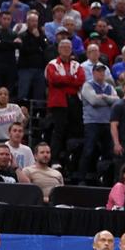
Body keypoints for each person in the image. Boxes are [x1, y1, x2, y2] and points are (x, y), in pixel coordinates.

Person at [45, 37, 85, 165]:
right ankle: (54, 159)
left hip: (74, 101)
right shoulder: (52, 64)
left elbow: (80, 80)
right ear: (58, 49)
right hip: (58, 102)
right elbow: (53, 80)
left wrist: (64, 79)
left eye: (68, 47)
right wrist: (71, 79)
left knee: (73, 132)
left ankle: (69, 160)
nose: (66, 50)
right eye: (63, 47)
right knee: (58, 131)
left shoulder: (77, 65)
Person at [79, 64, 118, 183]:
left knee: (108, 153)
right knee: (88, 150)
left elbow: (117, 101)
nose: (101, 73)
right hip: (92, 122)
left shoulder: (109, 87)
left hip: (106, 122)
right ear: (93, 72)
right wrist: (108, 100)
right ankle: (82, 178)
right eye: (98, 71)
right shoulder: (87, 85)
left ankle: (104, 179)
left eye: (102, 71)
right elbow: (93, 100)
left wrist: (104, 96)